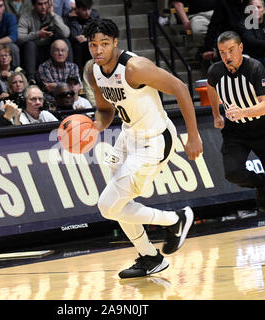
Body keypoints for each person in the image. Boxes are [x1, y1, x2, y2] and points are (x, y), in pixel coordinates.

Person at [84, 19, 203, 279]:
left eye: (104, 44)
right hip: (128, 136)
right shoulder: (94, 70)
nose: (99, 50)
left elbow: (181, 88)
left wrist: (193, 135)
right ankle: (150, 257)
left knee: (107, 206)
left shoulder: (134, 68)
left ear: (115, 42)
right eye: (94, 45)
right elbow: (106, 109)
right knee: (118, 204)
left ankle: (176, 219)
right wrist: (94, 126)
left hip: (154, 139)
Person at [206, 31, 265, 236]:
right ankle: (259, 183)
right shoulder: (215, 71)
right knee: (232, 173)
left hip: (264, 130)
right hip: (235, 133)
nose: (226, 56)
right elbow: (211, 87)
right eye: (222, 52)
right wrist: (216, 114)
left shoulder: (255, 68)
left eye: (230, 50)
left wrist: (241, 112)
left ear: (240, 48)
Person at [18, 0, 71, 82]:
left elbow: (66, 33)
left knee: (65, 42)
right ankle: (31, 79)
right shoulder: (26, 17)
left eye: (45, 3)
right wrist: (37, 34)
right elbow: (19, 38)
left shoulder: (53, 16)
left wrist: (52, 14)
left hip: (50, 50)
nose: (43, 7)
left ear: (49, 4)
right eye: (40, 4)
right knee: (29, 45)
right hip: (33, 51)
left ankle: (70, 75)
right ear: (34, 5)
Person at [67, 0, 100, 73]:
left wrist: (87, 37)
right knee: (77, 44)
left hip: (89, 43)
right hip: (75, 45)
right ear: (77, 9)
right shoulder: (70, 16)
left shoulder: (94, 15)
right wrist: (73, 19)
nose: (87, 12)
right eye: (84, 10)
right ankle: (77, 73)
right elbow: (74, 35)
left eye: (89, 9)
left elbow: (98, 31)